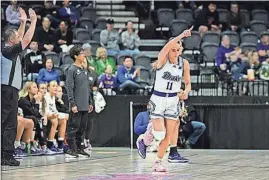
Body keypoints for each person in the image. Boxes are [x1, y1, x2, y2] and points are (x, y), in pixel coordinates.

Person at [136, 27, 192, 172]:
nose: (176, 53)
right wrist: (181, 34)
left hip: (173, 100)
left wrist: (186, 91)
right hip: (158, 99)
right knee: (159, 133)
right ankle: (144, 139)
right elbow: (168, 46)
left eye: (178, 50)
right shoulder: (162, 59)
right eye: (173, 49)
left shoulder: (184, 63)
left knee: (168, 135)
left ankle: (158, 163)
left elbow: (188, 83)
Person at [1, 8, 37, 166]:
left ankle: (6, 154)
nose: (19, 38)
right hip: (6, 90)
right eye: (16, 37)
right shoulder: (7, 50)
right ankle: (5, 154)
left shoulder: (11, 49)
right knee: (7, 123)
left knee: (10, 123)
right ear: (11, 40)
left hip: (11, 90)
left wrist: (23, 22)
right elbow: (26, 40)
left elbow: (21, 37)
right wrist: (33, 22)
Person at [65, 45, 93, 158]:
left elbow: (87, 87)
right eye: (81, 53)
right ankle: (71, 149)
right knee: (73, 127)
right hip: (76, 105)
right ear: (76, 56)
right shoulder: (71, 70)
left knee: (82, 128)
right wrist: (73, 104)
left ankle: (79, 148)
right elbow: (69, 88)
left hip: (85, 104)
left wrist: (90, 102)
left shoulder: (84, 70)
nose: (84, 55)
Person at [45, 81, 68, 153]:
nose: (55, 87)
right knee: (55, 119)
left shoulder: (53, 97)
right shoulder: (46, 96)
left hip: (51, 115)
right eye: (53, 86)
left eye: (56, 86)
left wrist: (63, 115)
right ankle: (49, 145)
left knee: (63, 120)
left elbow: (55, 111)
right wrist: (55, 115)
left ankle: (60, 145)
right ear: (48, 88)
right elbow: (45, 111)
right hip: (45, 115)